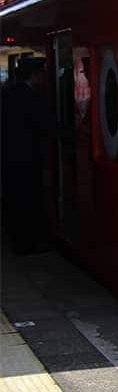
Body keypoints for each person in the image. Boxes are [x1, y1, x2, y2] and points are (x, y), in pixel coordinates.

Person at [1, 58, 49, 253]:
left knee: (14, 199)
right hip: (27, 158)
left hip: (9, 157)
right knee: (28, 200)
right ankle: (27, 244)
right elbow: (43, 125)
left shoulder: (7, 94)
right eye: (41, 74)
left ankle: (17, 240)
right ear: (34, 75)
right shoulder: (31, 98)